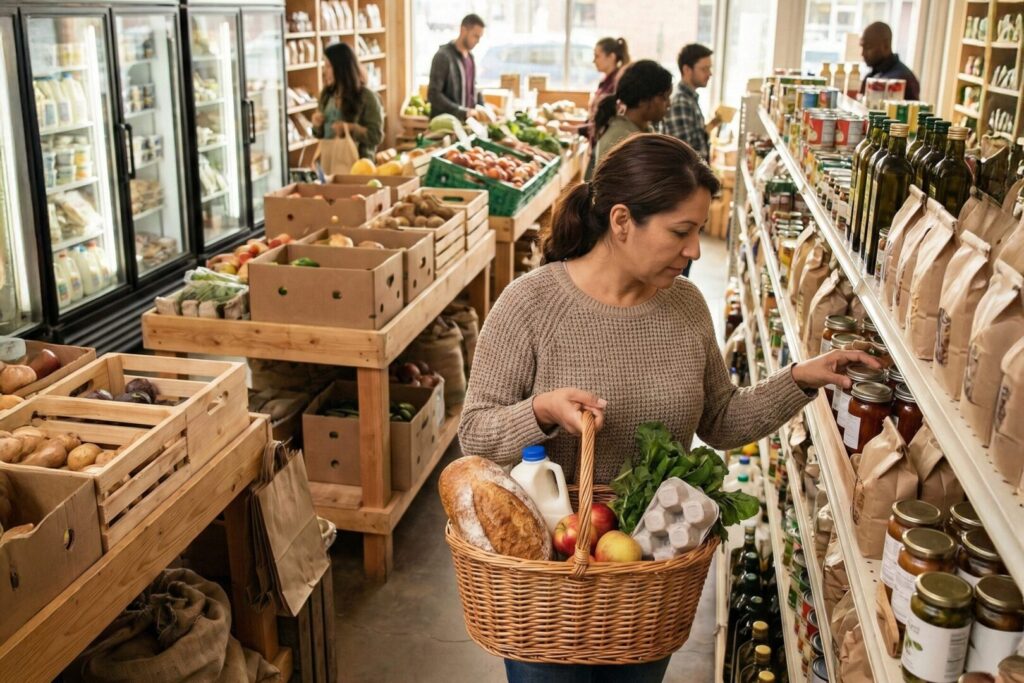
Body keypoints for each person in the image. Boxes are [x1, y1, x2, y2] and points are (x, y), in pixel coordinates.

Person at [459, 134, 879, 682]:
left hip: (653, 573)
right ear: (621, 221)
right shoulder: (529, 305)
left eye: (699, 231)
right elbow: (474, 434)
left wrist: (802, 379)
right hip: (554, 578)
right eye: (681, 231)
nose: (695, 250)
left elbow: (723, 421)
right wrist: (538, 409)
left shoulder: (686, 306)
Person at [589, 60, 672, 176]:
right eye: (665, 97)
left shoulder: (639, 130)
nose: (669, 104)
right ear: (644, 99)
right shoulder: (623, 140)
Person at [310, 42, 383, 160]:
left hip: (357, 166)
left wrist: (350, 128)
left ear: (342, 68)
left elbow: (376, 136)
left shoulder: (368, 97)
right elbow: (319, 134)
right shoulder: (326, 95)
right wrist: (316, 125)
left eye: (328, 66)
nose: (324, 71)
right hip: (328, 163)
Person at [662, 43, 720, 162]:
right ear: (687, 70)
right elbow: (685, 155)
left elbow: (694, 137)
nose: (710, 74)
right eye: (704, 69)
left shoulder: (689, 98)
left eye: (710, 68)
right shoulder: (681, 102)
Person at [581, 37, 629, 177]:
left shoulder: (616, 84)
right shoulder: (605, 82)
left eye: (597, 56)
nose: (593, 60)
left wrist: (579, 130)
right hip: (598, 142)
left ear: (612, 57)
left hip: (606, 146)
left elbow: (607, 118)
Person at [428, 13, 485, 121]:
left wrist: (484, 109)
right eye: (475, 36)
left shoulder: (470, 58)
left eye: (480, 37)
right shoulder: (443, 56)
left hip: (465, 125)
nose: (478, 41)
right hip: (445, 126)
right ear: (463, 30)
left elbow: (473, 89)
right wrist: (461, 111)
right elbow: (433, 95)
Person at [859, 21, 920, 100]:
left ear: (886, 46)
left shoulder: (901, 80)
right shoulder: (873, 75)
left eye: (868, 47)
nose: (862, 53)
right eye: (862, 47)